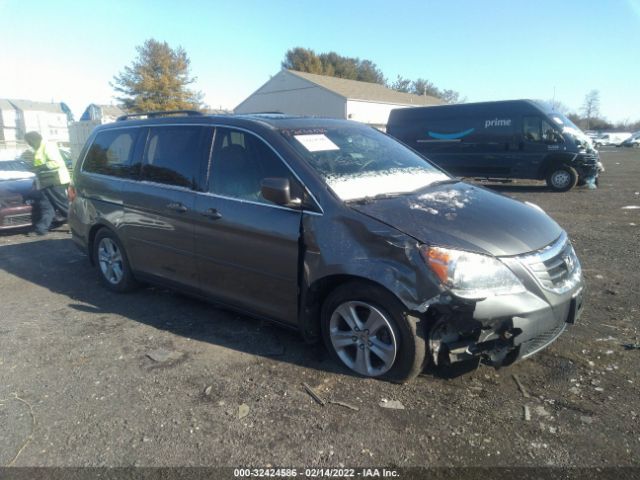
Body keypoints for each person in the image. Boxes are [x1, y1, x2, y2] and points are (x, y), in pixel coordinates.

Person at [24, 131, 70, 236]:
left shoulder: (48, 146)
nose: (29, 144)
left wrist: (40, 167)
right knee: (46, 207)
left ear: (33, 140)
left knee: (63, 206)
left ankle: (78, 226)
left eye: (29, 141)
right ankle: (41, 229)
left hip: (55, 181)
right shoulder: (38, 148)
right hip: (45, 182)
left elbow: (56, 163)